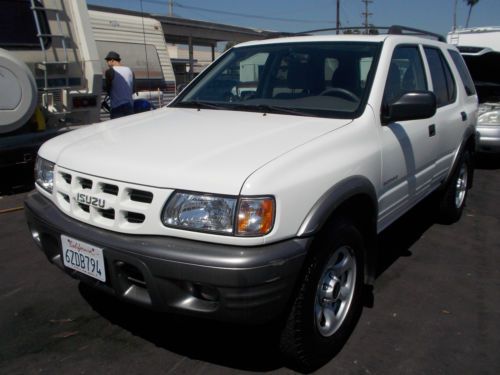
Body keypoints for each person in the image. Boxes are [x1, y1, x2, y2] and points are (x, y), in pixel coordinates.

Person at [104, 51, 135, 119]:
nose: (107, 63)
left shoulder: (110, 72)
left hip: (117, 107)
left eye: (107, 61)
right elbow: (133, 89)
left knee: (117, 128)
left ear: (112, 60)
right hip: (129, 106)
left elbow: (107, 89)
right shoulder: (130, 70)